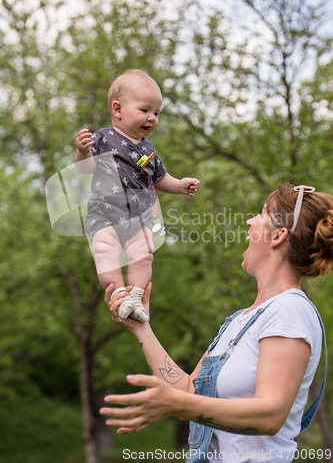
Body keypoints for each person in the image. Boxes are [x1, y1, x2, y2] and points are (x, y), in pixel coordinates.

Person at [100, 183, 332, 463]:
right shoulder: (239, 321)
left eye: (261, 214)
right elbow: (187, 391)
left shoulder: (290, 310)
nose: (250, 221)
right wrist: (141, 328)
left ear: (278, 236)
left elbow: (270, 415)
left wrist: (179, 404)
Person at [75, 69, 199, 324]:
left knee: (144, 252)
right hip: (105, 214)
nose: (152, 118)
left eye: (156, 113)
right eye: (145, 110)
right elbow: (85, 169)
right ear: (118, 109)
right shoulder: (103, 138)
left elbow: (159, 177)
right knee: (104, 249)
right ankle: (119, 294)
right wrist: (83, 152)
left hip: (137, 216)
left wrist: (179, 185)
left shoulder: (148, 147)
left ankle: (135, 296)